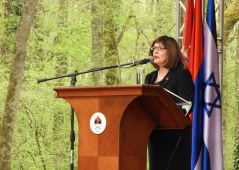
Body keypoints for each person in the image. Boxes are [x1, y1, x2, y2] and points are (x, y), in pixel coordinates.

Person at [144, 36, 195, 170]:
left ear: (171, 51)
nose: (155, 51)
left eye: (160, 48)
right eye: (154, 48)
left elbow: (187, 105)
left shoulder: (181, 74)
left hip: (175, 135)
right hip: (155, 134)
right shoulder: (150, 77)